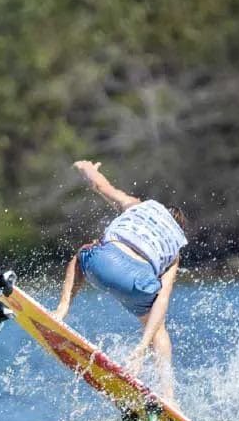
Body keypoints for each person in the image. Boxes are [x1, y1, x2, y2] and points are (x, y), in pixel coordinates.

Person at [53, 160, 188, 400]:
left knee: (83, 252)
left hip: (102, 265)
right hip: (137, 285)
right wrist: (142, 346)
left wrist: (86, 168)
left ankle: (60, 312)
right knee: (158, 329)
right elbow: (162, 299)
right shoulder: (174, 251)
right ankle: (169, 396)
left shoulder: (137, 206)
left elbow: (101, 185)